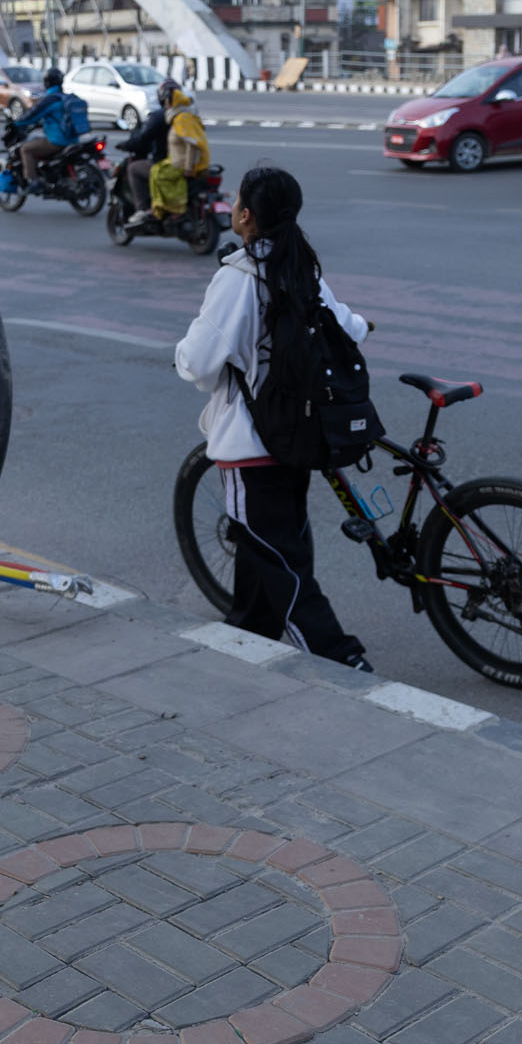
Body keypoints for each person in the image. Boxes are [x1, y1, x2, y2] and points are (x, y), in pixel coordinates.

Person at [173, 166, 373, 670]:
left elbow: (198, 361)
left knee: (282, 564)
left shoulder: (237, 277)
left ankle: (343, 661)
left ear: (245, 215)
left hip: (251, 445)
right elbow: (347, 323)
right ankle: (248, 629)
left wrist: (178, 355)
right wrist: (365, 324)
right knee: (270, 543)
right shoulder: (301, 266)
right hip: (299, 438)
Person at [119, 79, 178, 228]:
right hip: (189, 163)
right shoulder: (189, 116)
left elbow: (143, 138)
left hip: (166, 164)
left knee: (133, 169)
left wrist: (126, 145)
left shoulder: (160, 116)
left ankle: (142, 209)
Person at [148, 86, 209, 219]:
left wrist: (188, 168)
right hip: (177, 160)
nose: (166, 104)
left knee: (159, 174)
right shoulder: (180, 117)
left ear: (172, 102)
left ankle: (174, 208)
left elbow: (192, 144)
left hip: (182, 164)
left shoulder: (182, 119)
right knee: (154, 170)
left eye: (167, 101)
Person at [12, 66, 72, 190]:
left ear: (47, 82)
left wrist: (16, 123)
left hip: (57, 141)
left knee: (25, 149)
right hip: (74, 139)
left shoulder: (49, 100)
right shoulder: (67, 98)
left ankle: (33, 181)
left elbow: (31, 116)